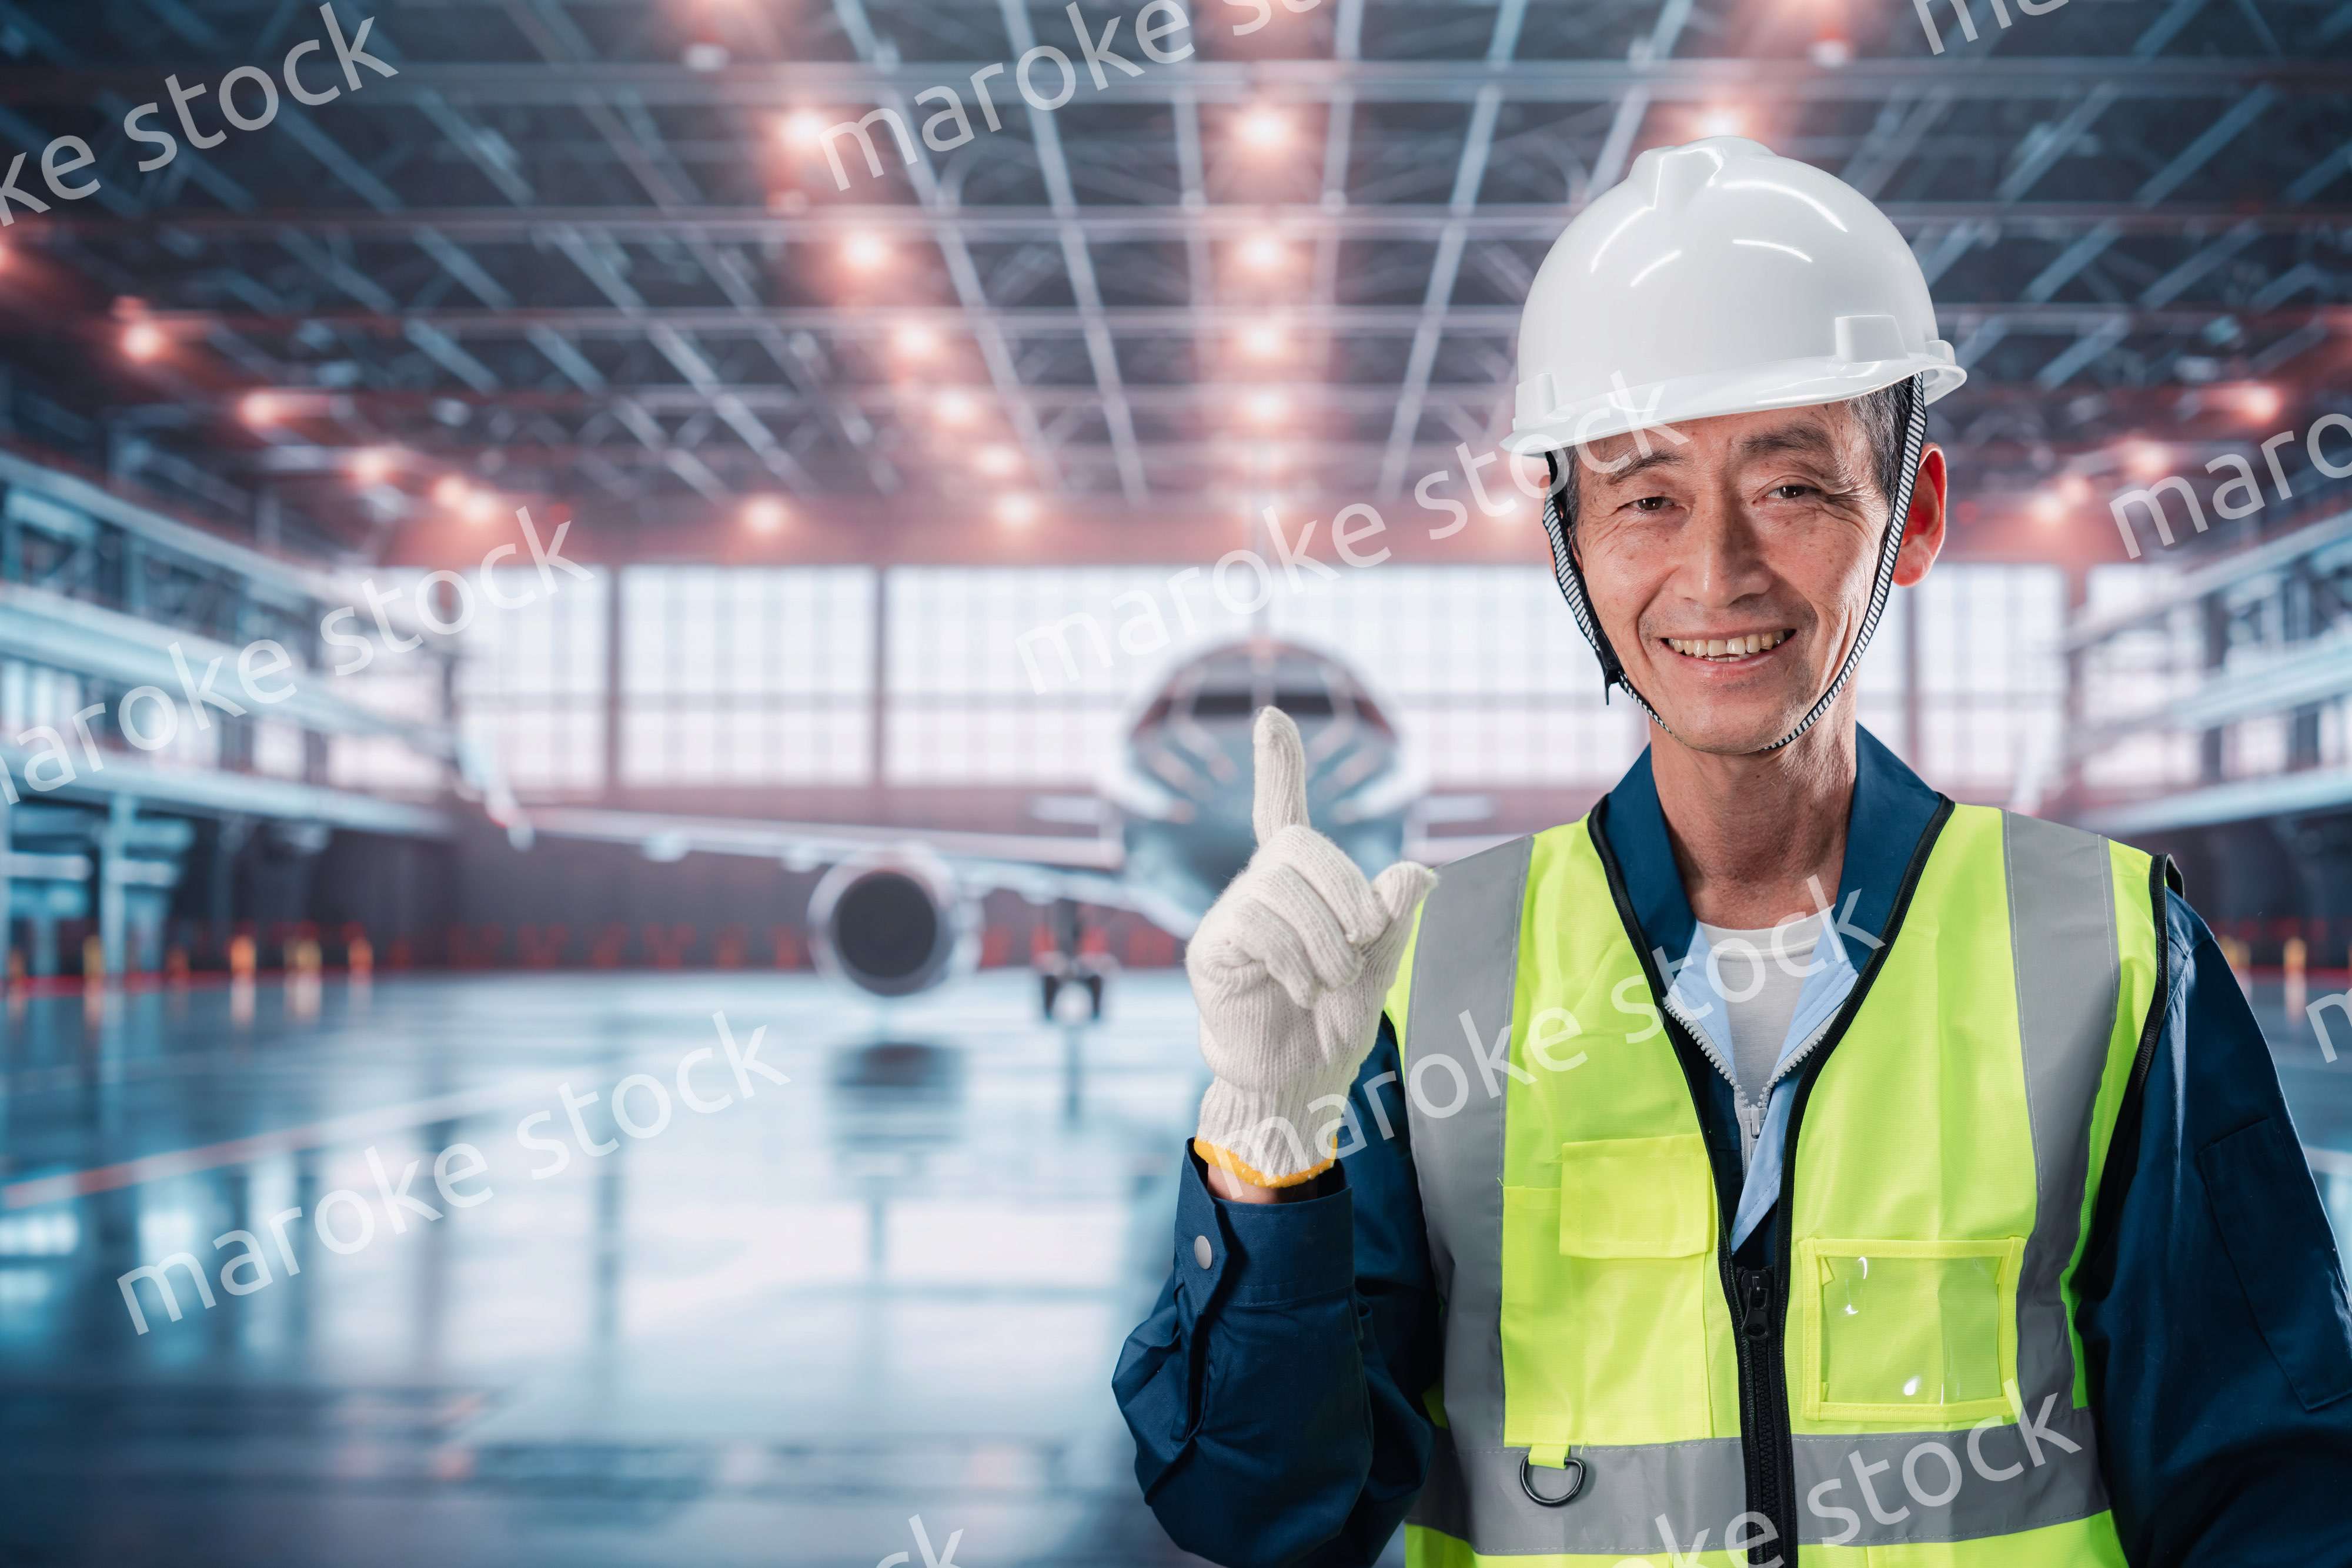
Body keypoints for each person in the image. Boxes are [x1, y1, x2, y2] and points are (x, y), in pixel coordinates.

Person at [1112, 138, 2352, 1567]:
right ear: (1566, 538)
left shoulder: (2110, 947)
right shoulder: (1431, 971)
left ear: (1915, 516)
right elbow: (1266, 1509)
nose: (1716, 573)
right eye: (1642, 495)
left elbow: (2274, 1494)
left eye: (1791, 487)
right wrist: (1273, 1153)